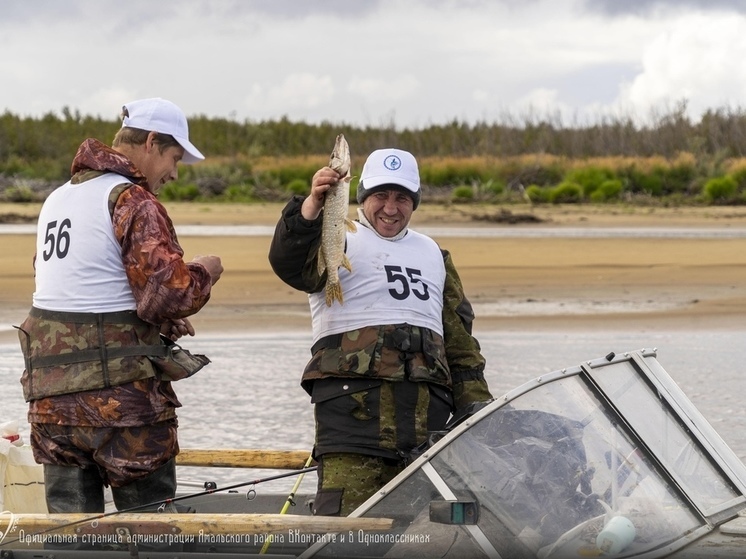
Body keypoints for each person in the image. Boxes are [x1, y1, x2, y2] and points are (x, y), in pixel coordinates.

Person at [16, 97, 223, 515]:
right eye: (173, 157)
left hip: (52, 410)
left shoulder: (57, 199)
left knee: (70, 535)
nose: (174, 173)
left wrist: (158, 321)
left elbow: (82, 283)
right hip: (122, 410)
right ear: (150, 143)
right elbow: (172, 291)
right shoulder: (132, 200)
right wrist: (204, 270)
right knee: (151, 534)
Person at [268, 147, 493, 516]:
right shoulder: (334, 236)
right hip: (351, 425)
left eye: (402, 198)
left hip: (427, 432)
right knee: (347, 535)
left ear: (414, 202)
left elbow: (462, 348)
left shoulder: (435, 255)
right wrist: (309, 206)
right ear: (362, 197)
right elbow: (288, 263)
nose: (391, 208)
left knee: (418, 537)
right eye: (380, 196)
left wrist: (477, 409)